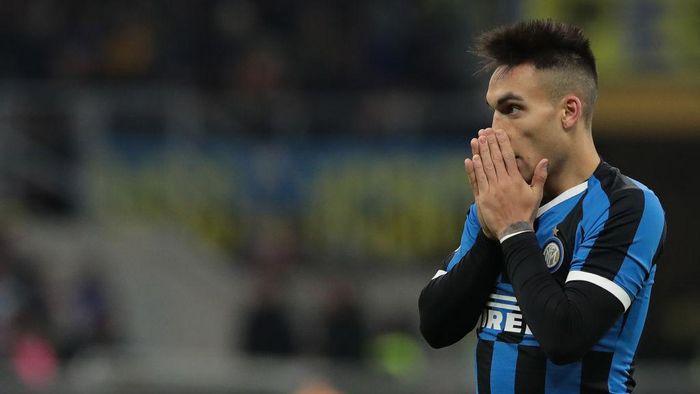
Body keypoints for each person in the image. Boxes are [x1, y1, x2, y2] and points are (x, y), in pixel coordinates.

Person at [418, 20, 666, 393]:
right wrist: (492, 233)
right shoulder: (497, 204)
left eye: (513, 109)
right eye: (493, 111)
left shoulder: (627, 206)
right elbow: (436, 326)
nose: (493, 130)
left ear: (568, 112)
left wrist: (515, 230)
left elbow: (566, 337)